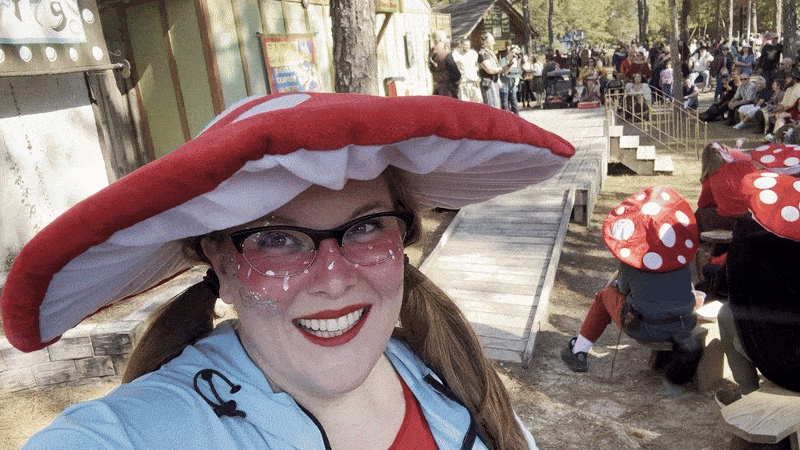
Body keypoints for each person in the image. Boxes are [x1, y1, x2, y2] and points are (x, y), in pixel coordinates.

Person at [4, 93, 577, 449]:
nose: (333, 277)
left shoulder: (448, 374)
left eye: (366, 226)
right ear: (222, 265)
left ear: (403, 238)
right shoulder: (139, 432)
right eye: (277, 239)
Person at [560, 185, 703, 385]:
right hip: (683, 324)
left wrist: (617, 279)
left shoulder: (635, 258)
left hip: (645, 328)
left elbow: (622, 289)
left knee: (604, 297)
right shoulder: (681, 255)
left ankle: (578, 351)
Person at [715, 170, 800, 405]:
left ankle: (749, 390)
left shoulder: (747, 243)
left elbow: (723, 286)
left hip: (772, 360)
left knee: (725, 313)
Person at [429, 30, 459, 98]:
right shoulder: (444, 54)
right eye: (445, 37)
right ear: (440, 39)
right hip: (447, 90)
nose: (446, 39)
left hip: (438, 88)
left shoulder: (431, 53)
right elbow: (456, 74)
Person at [452, 38, 483, 103]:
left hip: (474, 83)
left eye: (468, 45)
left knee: (478, 103)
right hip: (464, 83)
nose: (467, 47)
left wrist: (478, 77)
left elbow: (477, 67)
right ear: (461, 45)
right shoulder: (457, 54)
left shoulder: (473, 53)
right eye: (465, 45)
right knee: (465, 104)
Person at [478, 33, 503, 108]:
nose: (494, 43)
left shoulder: (490, 53)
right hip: (487, 84)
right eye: (492, 41)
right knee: (491, 106)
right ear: (485, 43)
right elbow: (490, 70)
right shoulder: (482, 53)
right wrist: (501, 69)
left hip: (494, 82)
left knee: (496, 105)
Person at [499, 45, 522, 114]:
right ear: (509, 52)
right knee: (504, 102)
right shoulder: (503, 60)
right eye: (512, 52)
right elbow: (503, 72)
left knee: (514, 101)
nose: (514, 55)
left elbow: (519, 71)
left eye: (516, 53)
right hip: (504, 82)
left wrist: (517, 79)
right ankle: (505, 117)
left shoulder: (517, 61)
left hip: (513, 83)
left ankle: (516, 116)